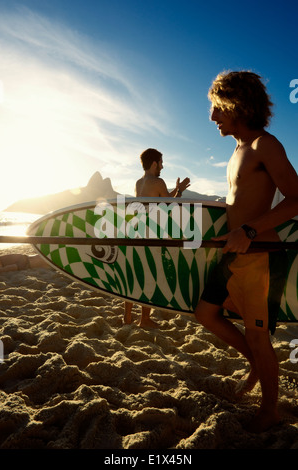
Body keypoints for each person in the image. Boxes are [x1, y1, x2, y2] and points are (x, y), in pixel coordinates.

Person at [194, 71, 298, 433]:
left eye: (216, 109)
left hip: (261, 256)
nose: (212, 117)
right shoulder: (238, 150)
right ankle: (256, 361)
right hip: (236, 253)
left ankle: (271, 410)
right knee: (206, 312)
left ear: (237, 104)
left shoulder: (265, 145)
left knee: (258, 334)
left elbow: (297, 199)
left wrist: (251, 229)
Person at [124, 148, 190, 328]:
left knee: (134, 272)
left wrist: (176, 189)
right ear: (154, 163)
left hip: (136, 230)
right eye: (161, 162)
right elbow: (169, 204)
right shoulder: (158, 181)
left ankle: (127, 318)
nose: (162, 166)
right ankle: (144, 319)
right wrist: (180, 190)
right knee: (148, 274)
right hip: (151, 233)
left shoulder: (139, 182)